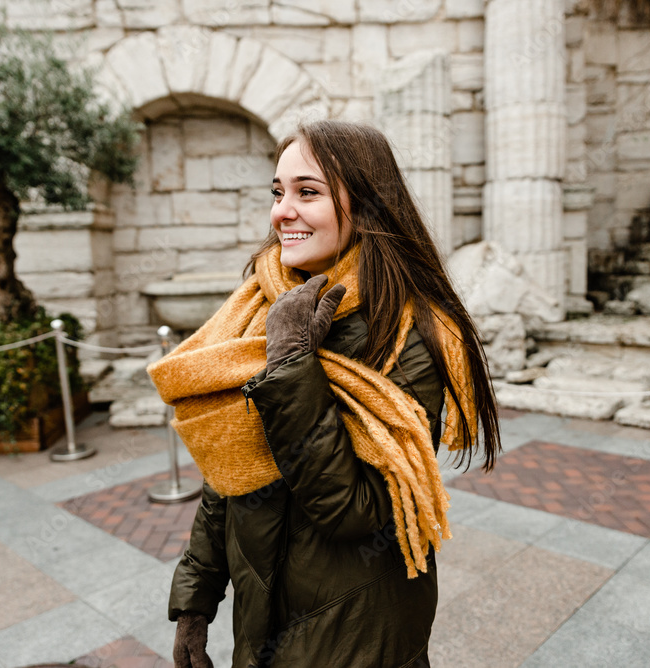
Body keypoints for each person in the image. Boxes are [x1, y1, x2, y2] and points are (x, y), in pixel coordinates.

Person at [147, 119, 501, 667]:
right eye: (278, 191)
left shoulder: (413, 335)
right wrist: (195, 600)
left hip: (358, 633)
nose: (281, 211)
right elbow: (232, 463)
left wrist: (292, 366)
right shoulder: (265, 307)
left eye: (307, 192)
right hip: (260, 620)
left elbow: (356, 512)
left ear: (364, 206)